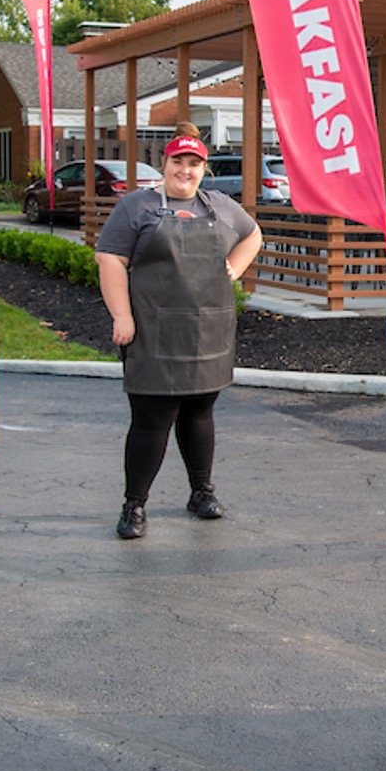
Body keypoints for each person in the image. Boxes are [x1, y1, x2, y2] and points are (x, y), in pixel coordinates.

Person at [95, 122, 262, 537]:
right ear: (164, 164)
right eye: (177, 162)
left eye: (194, 164)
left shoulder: (222, 206)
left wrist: (235, 268)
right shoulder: (136, 207)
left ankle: (201, 491)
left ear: (204, 169)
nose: (185, 170)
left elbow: (253, 235)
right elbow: (109, 260)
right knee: (153, 419)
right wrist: (122, 316)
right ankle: (134, 505)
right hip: (152, 331)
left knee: (200, 413)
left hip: (209, 331)